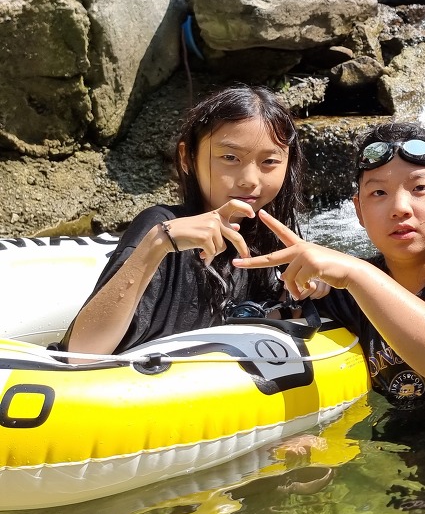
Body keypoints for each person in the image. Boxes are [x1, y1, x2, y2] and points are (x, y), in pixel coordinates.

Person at [236, 121, 425, 408]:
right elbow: (267, 325)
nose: (399, 208)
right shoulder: (345, 289)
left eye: (420, 188)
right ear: (359, 210)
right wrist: (298, 292)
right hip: (401, 433)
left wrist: (357, 275)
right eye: (379, 192)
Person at [62, 85, 311, 356]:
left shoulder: (274, 237)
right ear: (187, 158)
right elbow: (81, 352)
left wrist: (305, 290)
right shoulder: (160, 226)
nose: (249, 180)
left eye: (270, 161)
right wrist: (157, 244)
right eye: (230, 158)